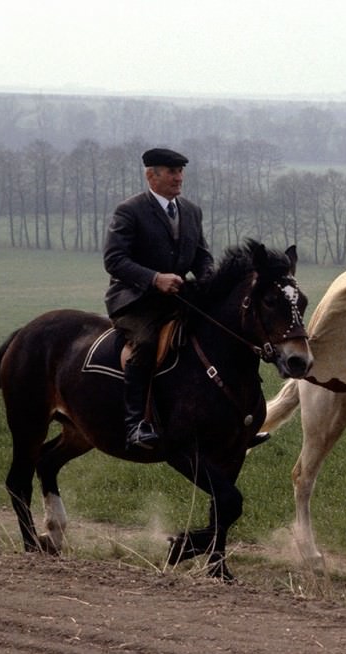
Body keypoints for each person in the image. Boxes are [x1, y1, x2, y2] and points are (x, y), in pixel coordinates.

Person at [103, 147, 214, 453]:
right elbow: (114, 260)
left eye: (180, 172)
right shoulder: (130, 211)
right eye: (171, 172)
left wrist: (208, 280)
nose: (178, 178)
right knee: (148, 343)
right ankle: (136, 424)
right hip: (136, 302)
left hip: (178, 300)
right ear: (151, 175)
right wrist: (154, 278)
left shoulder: (191, 211)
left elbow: (202, 257)